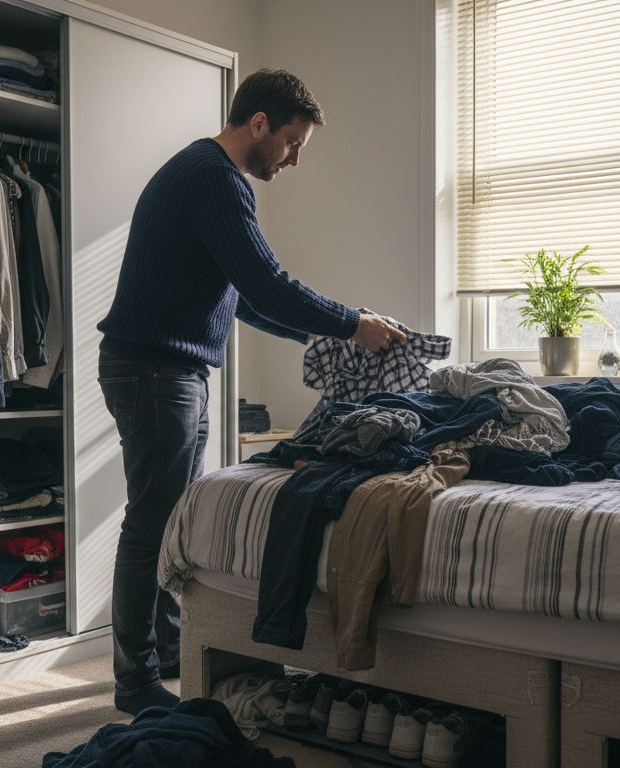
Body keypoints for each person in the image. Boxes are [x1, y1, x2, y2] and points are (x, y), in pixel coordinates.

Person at [95, 68, 406, 714]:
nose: (293, 159)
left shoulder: (210, 177)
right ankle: (133, 682)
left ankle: (169, 644)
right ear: (258, 124)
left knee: (166, 518)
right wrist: (353, 323)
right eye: (292, 143)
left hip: (169, 372)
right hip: (155, 373)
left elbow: (246, 300)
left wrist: (334, 338)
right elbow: (268, 282)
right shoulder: (213, 178)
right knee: (151, 523)